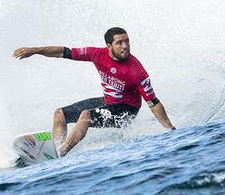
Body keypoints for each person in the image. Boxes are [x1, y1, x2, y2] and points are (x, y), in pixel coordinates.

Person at [13, 26, 175, 156]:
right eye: (120, 43)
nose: (125, 46)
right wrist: (35, 50)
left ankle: (60, 153)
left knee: (85, 116)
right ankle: (55, 148)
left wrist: (170, 130)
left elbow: (153, 103)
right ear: (108, 46)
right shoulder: (97, 54)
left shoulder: (136, 71)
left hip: (126, 111)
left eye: (127, 41)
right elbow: (64, 52)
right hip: (109, 102)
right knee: (59, 114)